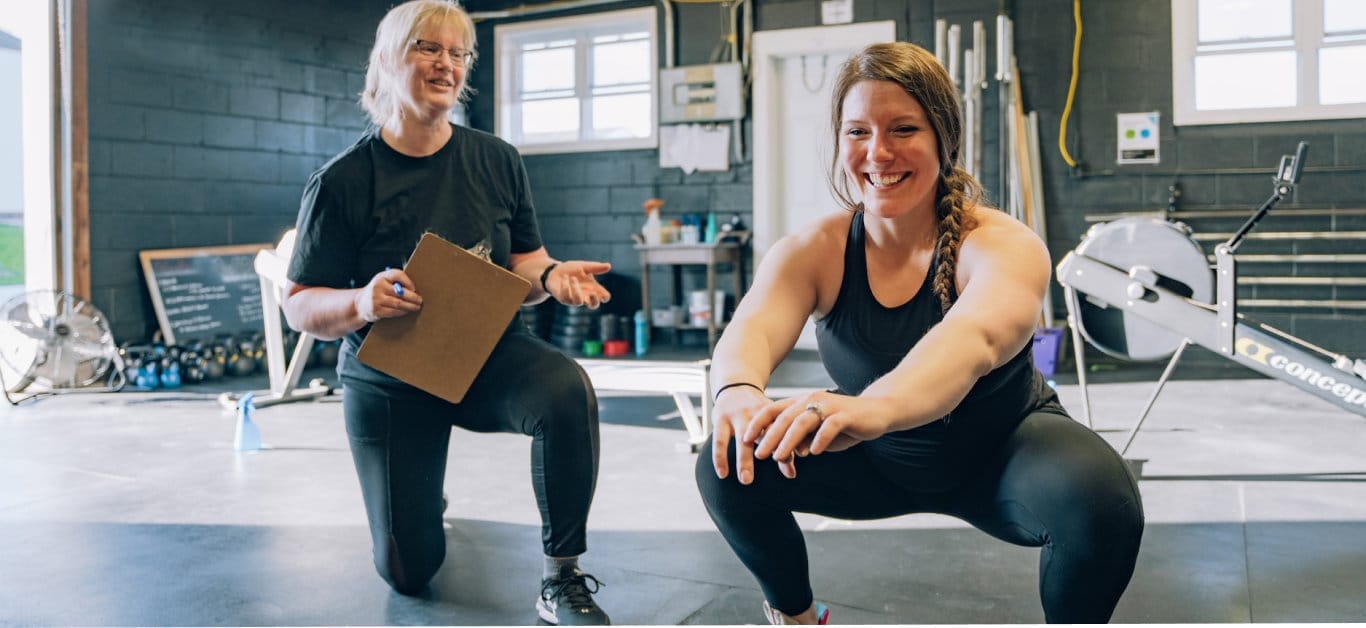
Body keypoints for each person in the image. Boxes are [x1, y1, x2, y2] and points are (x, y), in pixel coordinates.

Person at [695, 41, 1144, 625]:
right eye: (857, 132)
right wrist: (737, 393)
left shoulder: (1003, 244)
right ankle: (798, 618)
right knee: (728, 459)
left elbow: (972, 340)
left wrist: (869, 408)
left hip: (1000, 450)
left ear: (943, 138)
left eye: (902, 128)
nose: (878, 152)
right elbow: (753, 326)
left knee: (1100, 502)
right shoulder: (816, 249)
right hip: (874, 457)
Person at [281, 1, 612, 624]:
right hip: (393, 378)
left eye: (458, 53)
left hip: (486, 354)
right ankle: (420, 500)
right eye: (428, 48)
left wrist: (552, 277)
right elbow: (297, 304)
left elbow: (525, 266)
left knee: (567, 389)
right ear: (385, 61)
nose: (447, 64)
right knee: (409, 574)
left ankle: (560, 578)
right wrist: (359, 301)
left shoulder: (497, 160)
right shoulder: (342, 182)